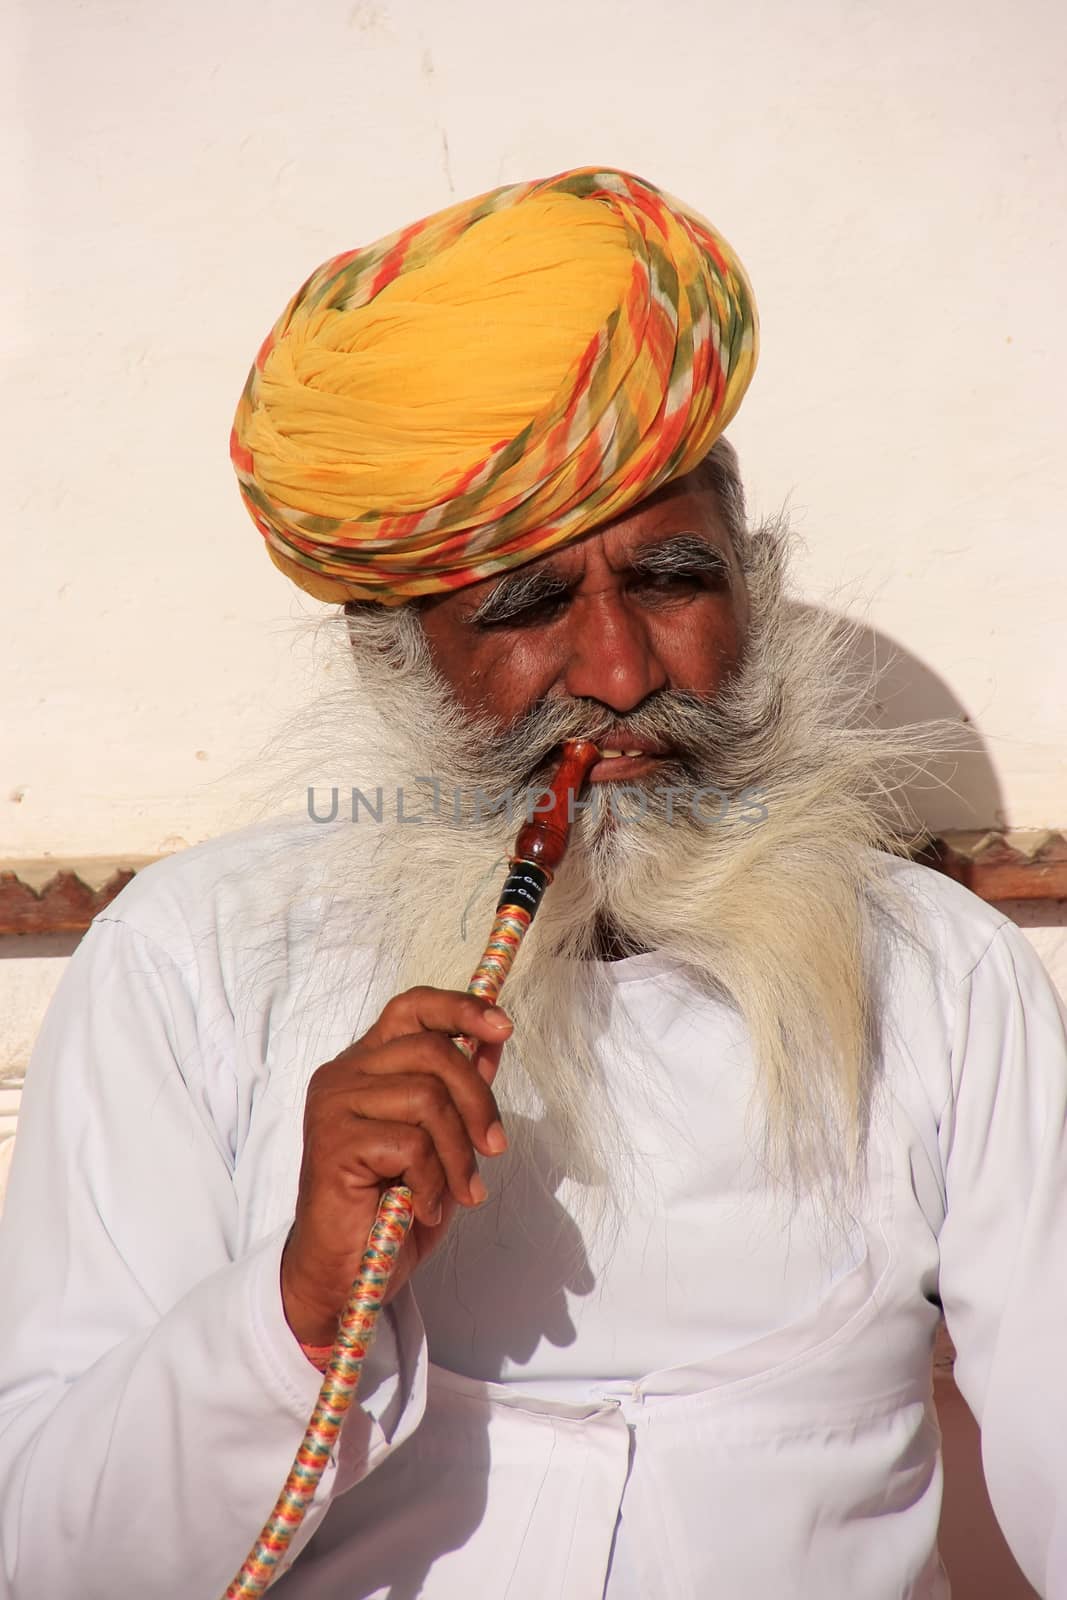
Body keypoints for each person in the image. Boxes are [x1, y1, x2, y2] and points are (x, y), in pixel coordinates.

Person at [1, 167, 1064, 1600]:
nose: (622, 676)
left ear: (748, 586)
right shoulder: (196, 964)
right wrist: (298, 1299)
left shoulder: (942, 978)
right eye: (527, 607)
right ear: (397, 658)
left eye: (673, 581)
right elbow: (53, 1561)